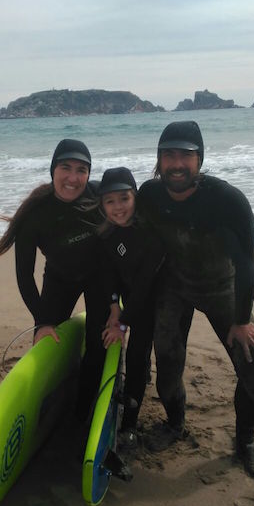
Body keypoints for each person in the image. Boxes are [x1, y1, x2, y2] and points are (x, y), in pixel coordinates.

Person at [136, 121, 254, 477]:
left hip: (222, 287)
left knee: (253, 365)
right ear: (158, 160)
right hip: (174, 285)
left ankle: (245, 442)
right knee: (167, 361)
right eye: (168, 155)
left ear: (200, 159)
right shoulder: (150, 195)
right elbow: (124, 224)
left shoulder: (227, 201)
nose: (177, 164)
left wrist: (242, 320)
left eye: (186, 155)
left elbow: (248, 264)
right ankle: (174, 423)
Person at [0, 139, 110, 421]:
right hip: (60, 278)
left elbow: (130, 207)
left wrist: (117, 301)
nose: (73, 178)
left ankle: (84, 412)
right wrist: (42, 321)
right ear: (53, 169)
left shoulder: (100, 195)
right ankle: (41, 404)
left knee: (97, 344)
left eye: (81, 170)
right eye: (66, 167)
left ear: (89, 174)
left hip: (99, 277)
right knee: (45, 340)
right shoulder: (36, 213)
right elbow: (24, 275)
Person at [96, 167, 165, 446]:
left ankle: (130, 426)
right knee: (130, 350)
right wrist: (114, 307)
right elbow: (108, 275)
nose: (118, 207)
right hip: (129, 299)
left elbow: (145, 283)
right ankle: (137, 377)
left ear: (135, 197)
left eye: (124, 198)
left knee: (137, 355)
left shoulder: (150, 233)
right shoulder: (107, 235)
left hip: (154, 302)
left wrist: (123, 324)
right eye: (110, 201)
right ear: (102, 205)